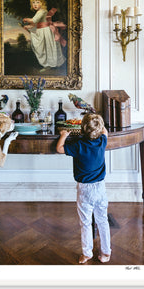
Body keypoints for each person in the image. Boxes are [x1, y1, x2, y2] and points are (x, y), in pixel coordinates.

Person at [56, 113, 111, 264]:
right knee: (103, 220)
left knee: (85, 222)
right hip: (100, 187)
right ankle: (106, 253)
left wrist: (63, 134)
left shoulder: (78, 145)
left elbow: (59, 148)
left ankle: (87, 253)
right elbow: (105, 132)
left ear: (81, 128)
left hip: (84, 189)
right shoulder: (102, 141)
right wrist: (99, 125)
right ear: (99, 130)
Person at [22, 0, 66, 71]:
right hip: (40, 31)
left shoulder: (42, 11)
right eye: (33, 2)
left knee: (47, 47)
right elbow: (35, 24)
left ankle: (50, 64)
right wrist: (28, 27)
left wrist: (26, 19)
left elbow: (34, 20)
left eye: (37, 2)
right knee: (42, 48)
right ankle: (47, 64)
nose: (35, 4)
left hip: (45, 31)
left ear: (42, 3)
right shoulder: (39, 11)